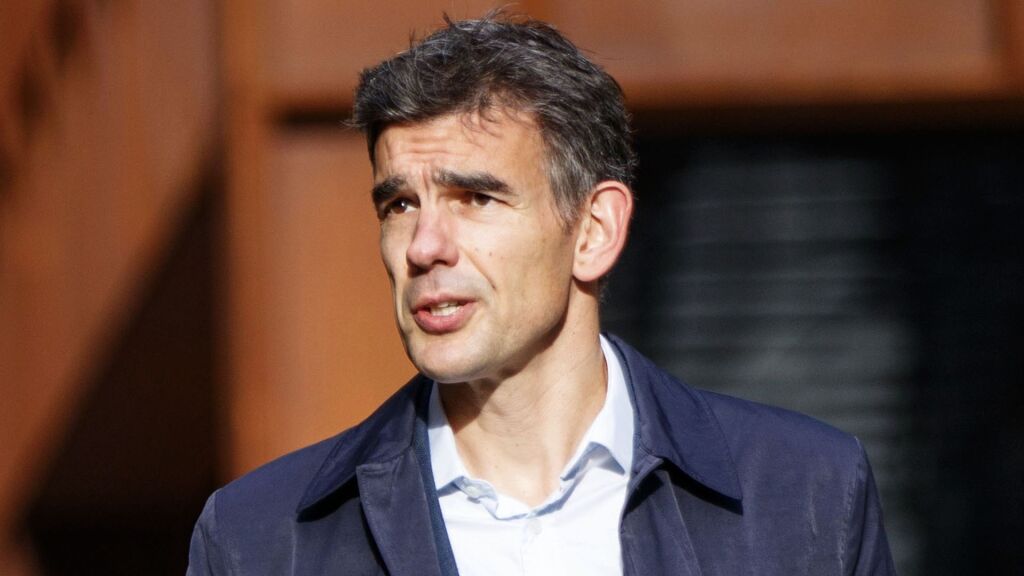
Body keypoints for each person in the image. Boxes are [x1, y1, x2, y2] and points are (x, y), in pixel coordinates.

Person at [188, 13, 895, 576]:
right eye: (399, 205)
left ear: (594, 230)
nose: (425, 246)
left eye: (475, 198)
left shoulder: (805, 494)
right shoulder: (261, 540)